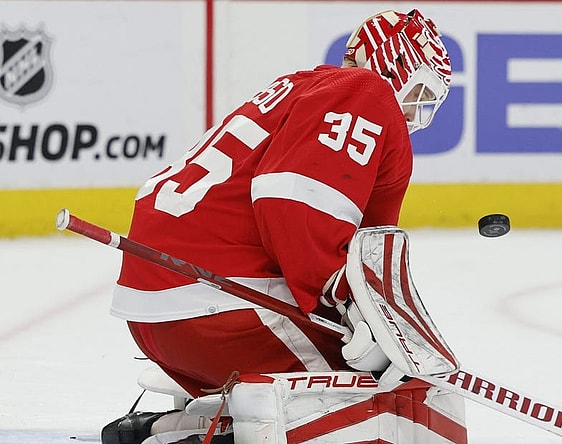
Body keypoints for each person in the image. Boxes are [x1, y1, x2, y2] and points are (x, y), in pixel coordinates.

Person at [101, 8, 467, 444]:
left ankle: (174, 428)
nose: (418, 109)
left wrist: (363, 308)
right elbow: (293, 202)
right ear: (394, 62)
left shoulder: (303, 85)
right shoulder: (366, 91)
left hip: (162, 308)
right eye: (420, 89)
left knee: (343, 380)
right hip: (219, 308)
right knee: (389, 398)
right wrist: (348, 302)